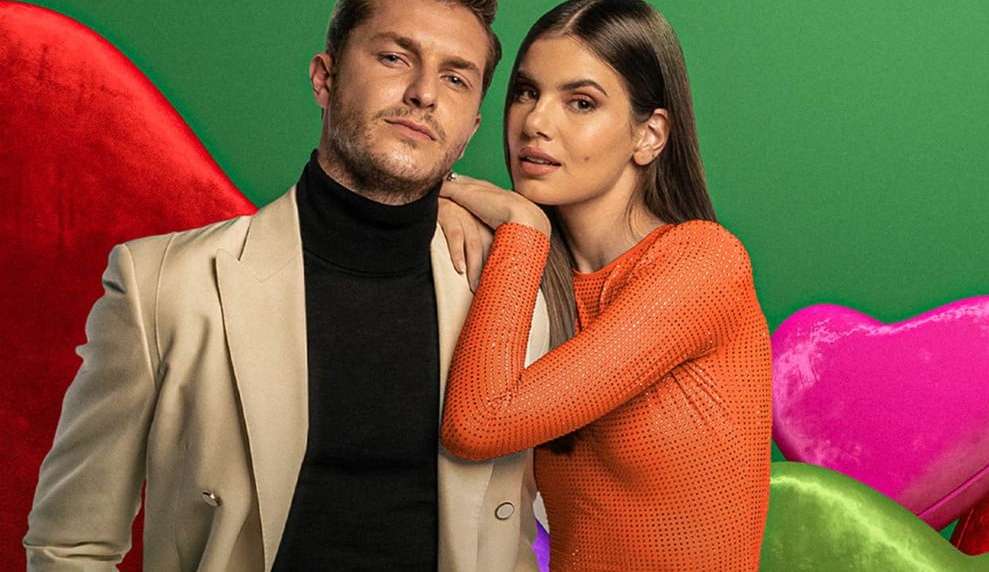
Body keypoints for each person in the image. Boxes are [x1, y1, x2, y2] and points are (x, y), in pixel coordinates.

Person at [23, 0, 550, 570]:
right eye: (395, 57)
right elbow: (70, 544)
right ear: (325, 78)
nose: (424, 93)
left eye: (455, 78)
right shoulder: (164, 284)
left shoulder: (506, 289)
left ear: (471, 127)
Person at [437, 0, 773, 569]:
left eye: (581, 102)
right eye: (526, 92)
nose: (536, 122)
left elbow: (477, 424)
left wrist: (522, 225)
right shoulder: (528, 274)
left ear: (650, 135)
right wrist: (438, 205)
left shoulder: (704, 262)